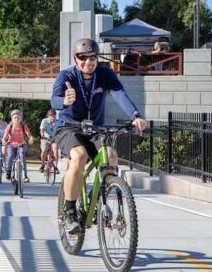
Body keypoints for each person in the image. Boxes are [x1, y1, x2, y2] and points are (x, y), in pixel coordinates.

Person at [51, 38, 146, 235]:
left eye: (92, 57)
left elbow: (120, 93)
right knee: (79, 156)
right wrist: (64, 101)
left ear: (97, 58)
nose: (88, 62)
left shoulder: (104, 74)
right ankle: (69, 212)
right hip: (68, 127)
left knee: (110, 156)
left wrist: (135, 116)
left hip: (95, 129)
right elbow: (54, 101)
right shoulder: (66, 76)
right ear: (75, 58)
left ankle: (102, 199)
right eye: (83, 58)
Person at [2, 109, 35, 183]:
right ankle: (9, 171)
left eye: (18, 118)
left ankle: (25, 176)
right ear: (12, 119)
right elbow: (5, 137)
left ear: (21, 119)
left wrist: (31, 139)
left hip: (21, 144)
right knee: (10, 156)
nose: (17, 119)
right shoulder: (9, 126)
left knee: (22, 156)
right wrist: (4, 141)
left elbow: (29, 135)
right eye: (15, 118)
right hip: (11, 144)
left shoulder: (23, 126)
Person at [39, 109, 59, 174]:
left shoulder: (58, 122)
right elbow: (42, 129)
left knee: (55, 149)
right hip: (45, 138)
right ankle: (42, 165)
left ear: (56, 116)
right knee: (44, 149)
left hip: (54, 139)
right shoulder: (44, 121)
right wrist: (42, 135)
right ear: (48, 116)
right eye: (51, 116)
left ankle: (56, 166)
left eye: (54, 116)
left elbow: (60, 131)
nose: (52, 117)